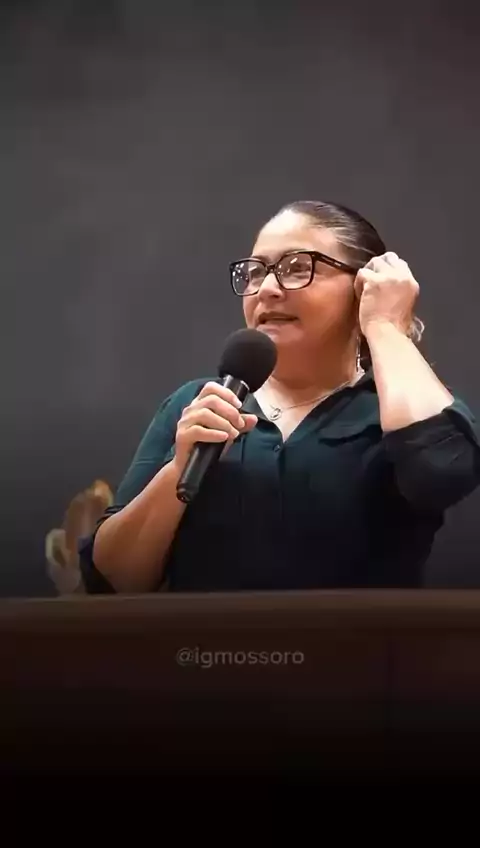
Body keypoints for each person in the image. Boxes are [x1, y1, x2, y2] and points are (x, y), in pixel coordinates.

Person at [79, 200, 480, 593]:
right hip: (206, 639)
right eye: (255, 273)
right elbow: (111, 582)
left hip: (360, 639)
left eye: (298, 268)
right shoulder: (199, 405)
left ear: (363, 286)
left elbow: (442, 473)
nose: (267, 289)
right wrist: (178, 470)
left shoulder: (397, 406)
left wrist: (385, 325)